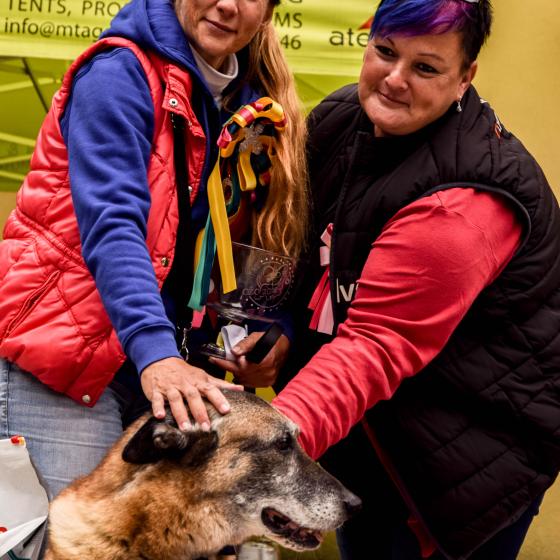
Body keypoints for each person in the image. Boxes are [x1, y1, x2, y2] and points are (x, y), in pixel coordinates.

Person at [263, 1, 560, 559]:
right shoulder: (340, 118)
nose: (394, 80)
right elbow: (308, 253)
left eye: (425, 68)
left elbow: (376, 344)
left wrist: (260, 447)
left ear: (465, 77)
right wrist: (281, 328)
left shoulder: (465, 203)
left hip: (457, 468)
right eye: (385, 52)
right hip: (371, 439)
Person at [0, 0, 307, 500]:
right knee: (74, 538)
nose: (228, 5)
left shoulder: (258, 110)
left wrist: (268, 332)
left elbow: (254, 244)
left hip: (171, 373)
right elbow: (113, 225)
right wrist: (156, 353)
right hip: (66, 361)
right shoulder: (118, 72)